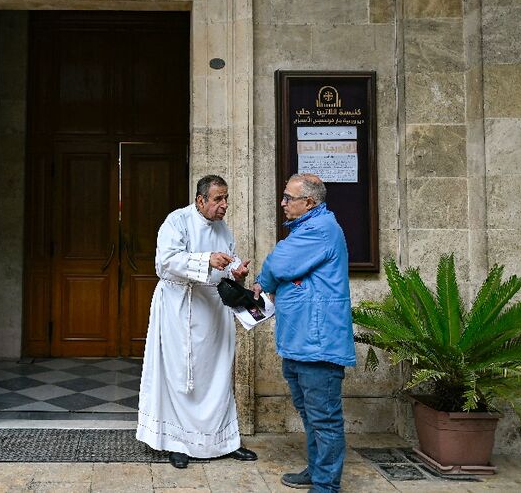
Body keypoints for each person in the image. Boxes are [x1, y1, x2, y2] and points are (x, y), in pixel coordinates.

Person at [136, 175, 258, 469]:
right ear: (200, 200)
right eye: (218, 199)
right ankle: (178, 443)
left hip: (213, 311)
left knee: (216, 377)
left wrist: (237, 272)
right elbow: (164, 262)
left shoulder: (223, 228)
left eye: (226, 198)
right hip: (180, 309)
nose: (224, 205)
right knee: (181, 376)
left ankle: (224, 441)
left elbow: (229, 262)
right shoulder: (176, 221)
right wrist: (205, 260)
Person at [252, 174, 356, 492]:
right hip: (300, 343)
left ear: (308, 203)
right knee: (312, 416)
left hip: (318, 343)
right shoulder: (308, 229)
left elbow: (279, 263)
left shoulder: (320, 229)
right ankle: (317, 471)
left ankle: (326, 485)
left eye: (288, 198)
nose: (283, 203)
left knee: (324, 418)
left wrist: (265, 281)